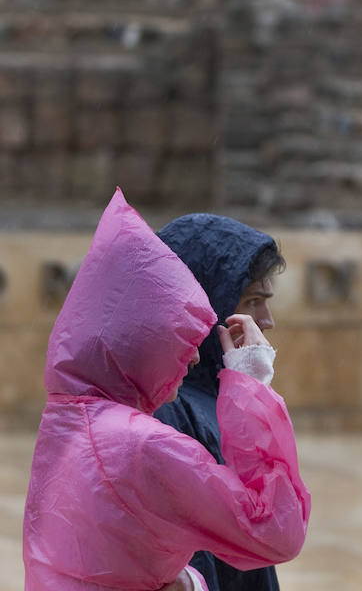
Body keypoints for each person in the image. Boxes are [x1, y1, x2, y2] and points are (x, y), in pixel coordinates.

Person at [23, 189, 311, 590]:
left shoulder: (75, 415)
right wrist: (252, 389)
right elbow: (274, 529)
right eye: (251, 301)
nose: (267, 320)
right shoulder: (150, 431)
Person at [153, 212, 288, 591]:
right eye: (252, 301)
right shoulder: (168, 408)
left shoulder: (217, 393)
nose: (267, 320)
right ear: (205, 304)